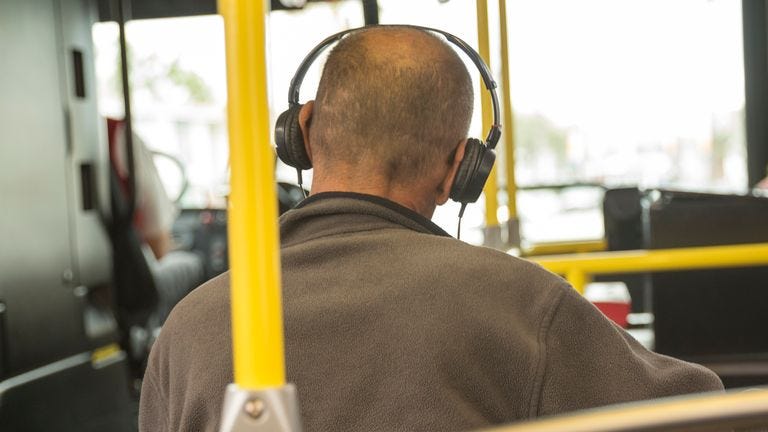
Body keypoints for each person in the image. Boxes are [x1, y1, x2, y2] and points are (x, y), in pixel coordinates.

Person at [139, 27, 722, 432]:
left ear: (305, 132)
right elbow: (707, 414)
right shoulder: (521, 305)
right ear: (461, 169)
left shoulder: (190, 327)